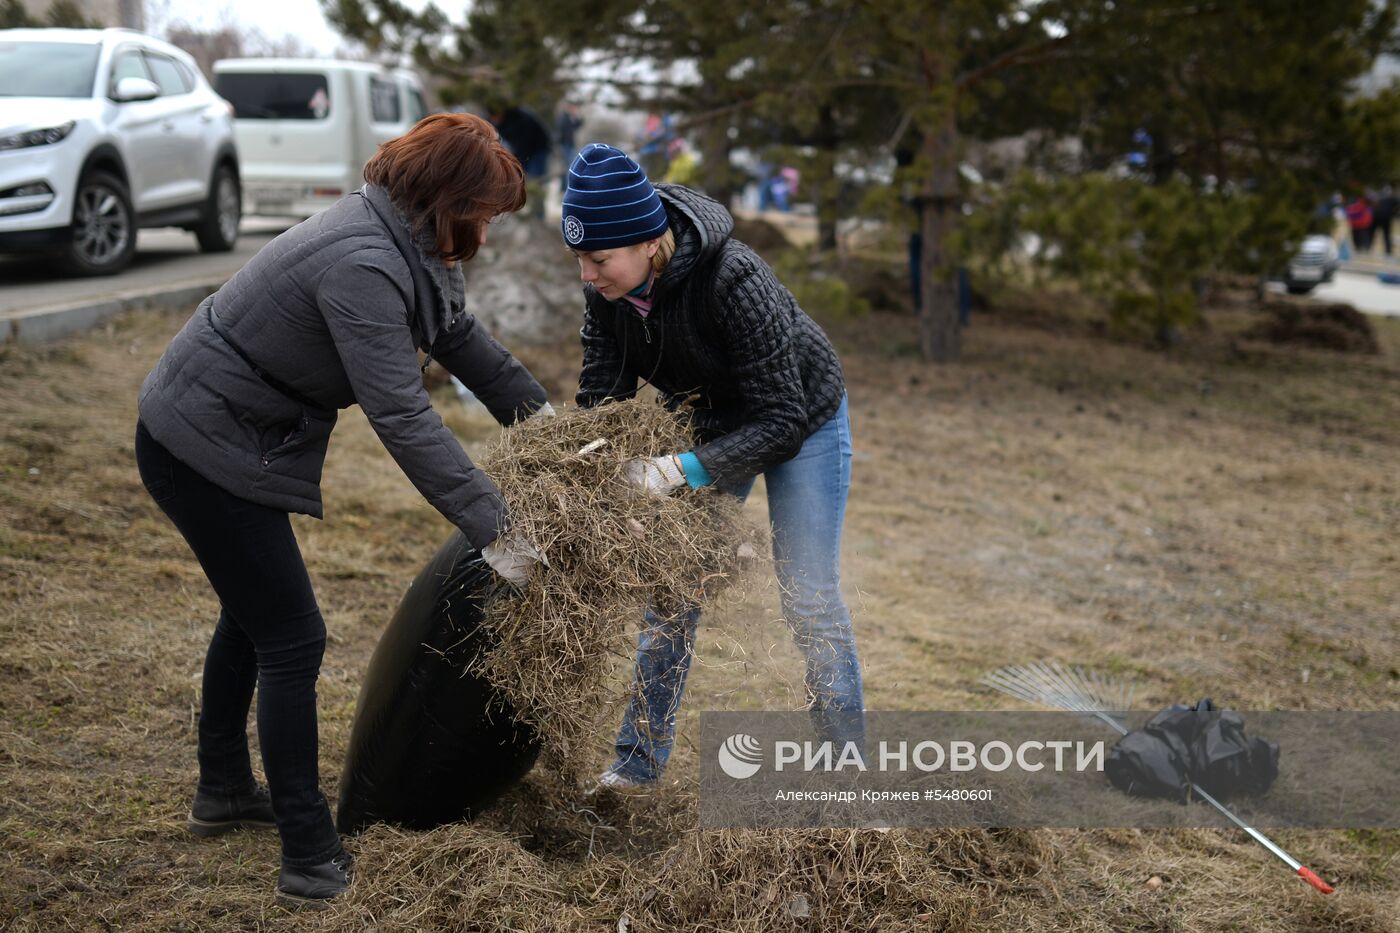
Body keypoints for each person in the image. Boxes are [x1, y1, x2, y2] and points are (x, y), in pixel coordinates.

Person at [135, 113, 551, 904]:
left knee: (254, 616)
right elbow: (402, 416)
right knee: (293, 635)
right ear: (447, 197)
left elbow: (460, 336)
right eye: (486, 214)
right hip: (199, 441)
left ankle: (222, 789)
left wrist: (546, 424)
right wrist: (501, 531)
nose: (487, 234)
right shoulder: (362, 261)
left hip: (239, 432)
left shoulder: (414, 239)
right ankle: (308, 852)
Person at [559, 143, 864, 789]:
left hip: (800, 419)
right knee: (674, 591)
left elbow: (778, 420)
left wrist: (675, 471)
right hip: (705, 421)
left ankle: (847, 771)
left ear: (648, 243)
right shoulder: (608, 294)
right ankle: (636, 763)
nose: (588, 274)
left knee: (807, 595)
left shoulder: (735, 278)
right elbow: (602, 395)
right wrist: (585, 470)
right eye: (580, 259)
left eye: (599, 259)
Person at [554, 101, 583, 192]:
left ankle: (564, 187)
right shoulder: (564, 117)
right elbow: (562, 131)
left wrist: (577, 116)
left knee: (567, 165)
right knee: (568, 165)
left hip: (569, 144)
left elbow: (578, 125)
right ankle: (566, 187)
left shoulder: (570, 117)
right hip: (565, 144)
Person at [1373, 185, 1397, 257]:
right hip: (1384, 218)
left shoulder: (1379, 198)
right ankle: (1388, 250)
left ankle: (1368, 247)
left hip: (1380, 218)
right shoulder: (1391, 198)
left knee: (1384, 234)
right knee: (1385, 235)